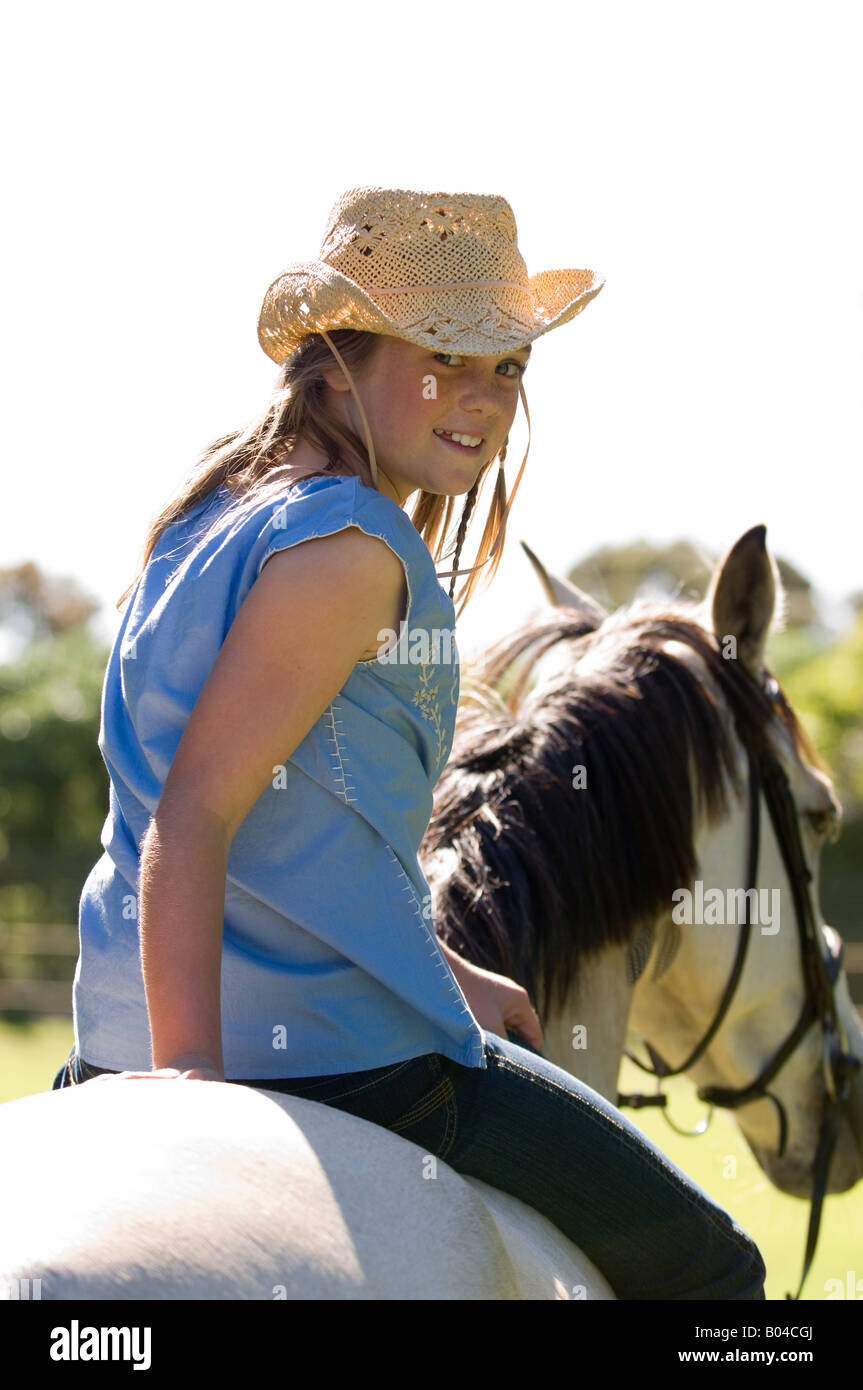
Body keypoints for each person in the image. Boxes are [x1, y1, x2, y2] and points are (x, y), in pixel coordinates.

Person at [52, 186, 766, 1300]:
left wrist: (438, 968)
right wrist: (189, 1080)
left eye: (508, 368)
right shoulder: (349, 545)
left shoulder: (210, 513)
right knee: (713, 1272)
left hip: (110, 1021)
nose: (481, 399)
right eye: (445, 355)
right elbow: (197, 809)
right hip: (329, 1056)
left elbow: (303, 829)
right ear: (337, 354)